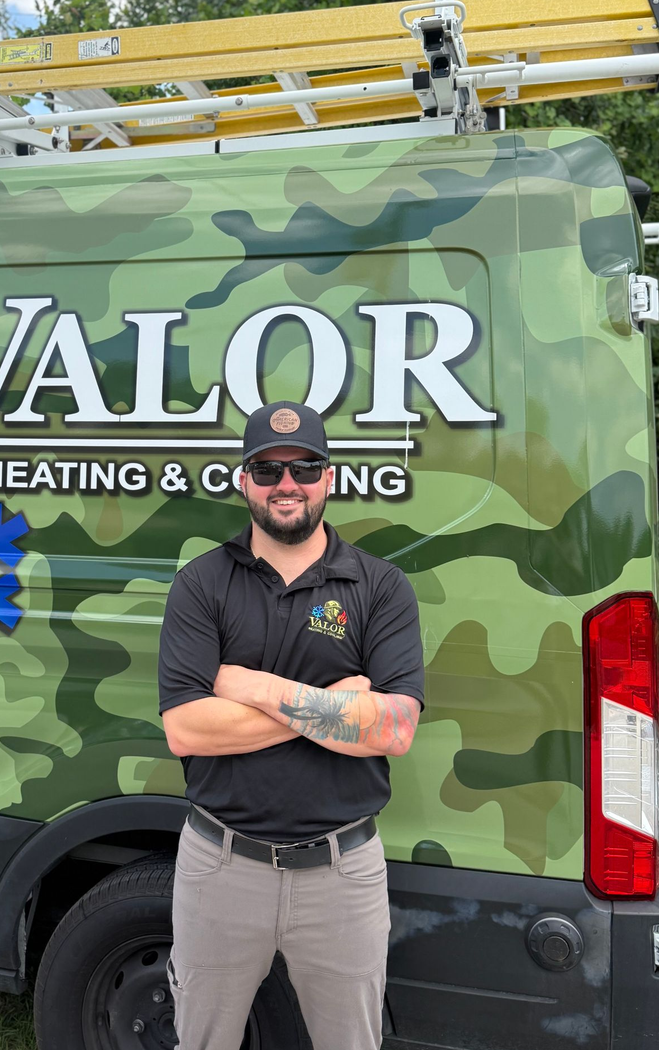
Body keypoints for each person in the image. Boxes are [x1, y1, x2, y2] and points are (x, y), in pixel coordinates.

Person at [157, 400, 425, 1050]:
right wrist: (336, 706)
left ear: (329, 479)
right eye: (268, 468)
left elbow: (391, 729)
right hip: (220, 866)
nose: (287, 483)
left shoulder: (380, 588)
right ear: (244, 480)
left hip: (343, 874)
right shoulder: (201, 584)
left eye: (304, 467)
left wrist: (247, 685)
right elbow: (187, 731)